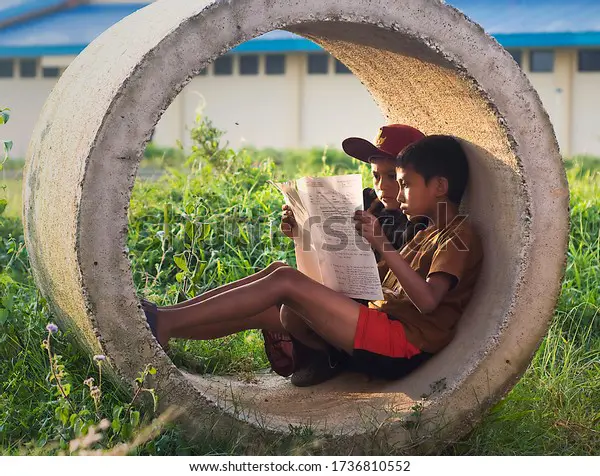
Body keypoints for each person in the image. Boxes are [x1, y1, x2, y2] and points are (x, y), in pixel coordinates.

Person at [142, 134, 483, 385]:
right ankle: (166, 321)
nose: (393, 191)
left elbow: (427, 302)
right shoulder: (425, 233)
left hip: (402, 343)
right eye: (383, 178)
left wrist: (383, 244)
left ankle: (164, 323)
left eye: (404, 183)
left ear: (439, 186)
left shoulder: (457, 235)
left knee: (285, 282)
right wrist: (307, 236)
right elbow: (370, 284)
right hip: (377, 321)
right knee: (279, 273)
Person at [271, 124, 428, 386]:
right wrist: (300, 228)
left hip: (374, 312)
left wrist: (378, 241)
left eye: (393, 177)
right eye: (376, 176)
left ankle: (328, 356)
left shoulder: (418, 222)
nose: (382, 187)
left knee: (284, 298)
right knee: (276, 277)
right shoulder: (366, 201)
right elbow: (329, 243)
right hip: (341, 291)